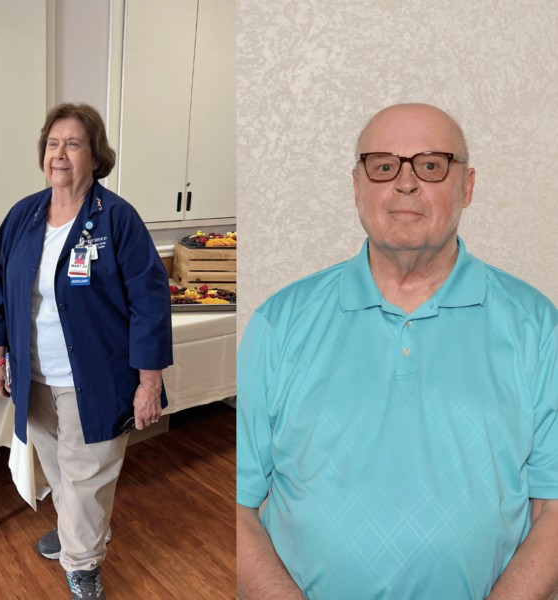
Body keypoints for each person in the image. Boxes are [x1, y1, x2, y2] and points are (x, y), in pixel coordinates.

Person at [237, 104, 558, 599]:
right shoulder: (279, 324)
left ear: (467, 186)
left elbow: (553, 509)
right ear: (357, 186)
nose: (405, 183)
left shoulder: (537, 327)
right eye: (384, 165)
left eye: (431, 165)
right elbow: (236, 508)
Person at [0, 103, 173, 600]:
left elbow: (151, 304)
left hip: (98, 376)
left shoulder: (118, 220)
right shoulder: (23, 216)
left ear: (95, 155)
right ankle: (76, 535)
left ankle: (82, 563)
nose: (60, 153)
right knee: (60, 466)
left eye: (73, 143)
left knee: (89, 473)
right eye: (53, 143)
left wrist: (149, 383)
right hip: (35, 374)